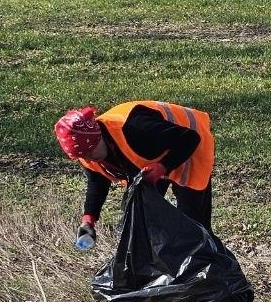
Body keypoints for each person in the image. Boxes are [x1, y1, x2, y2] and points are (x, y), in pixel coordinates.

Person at [54, 101, 216, 247]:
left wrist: (162, 167)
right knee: (138, 220)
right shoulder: (85, 153)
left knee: (194, 225)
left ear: (98, 137)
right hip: (150, 159)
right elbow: (97, 182)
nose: (89, 158)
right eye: (83, 156)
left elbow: (189, 138)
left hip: (189, 146)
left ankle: (212, 271)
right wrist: (88, 220)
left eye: (90, 151)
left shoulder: (135, 129)